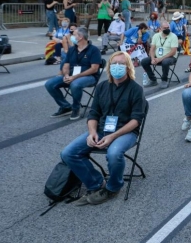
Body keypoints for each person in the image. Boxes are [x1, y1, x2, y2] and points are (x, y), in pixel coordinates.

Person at [61, 51, 147, 206]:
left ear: (128, 67)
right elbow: (93, 113)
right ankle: (95, 183)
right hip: (101, 129)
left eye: (121, 64)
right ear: (109, 67)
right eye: (114, 63)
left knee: (113, 153)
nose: (117, 67)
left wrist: (112, 137)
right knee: (68, 153)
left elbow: (136, 121)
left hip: (125, 132)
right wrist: (92, 133)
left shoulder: (135, 89)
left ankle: (113, 187)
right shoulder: (101, 87)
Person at [45, 28, 102, 120]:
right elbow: (66, 65)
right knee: (49, 84)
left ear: (80, 37)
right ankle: (66, 107)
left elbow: (94, 69)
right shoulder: (72, 50)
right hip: (71, 76)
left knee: (75, 84)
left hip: (89, 77)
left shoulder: (94, 50)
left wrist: (75, 77)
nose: (71, 36)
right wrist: (66, 75)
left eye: (74, 34)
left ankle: (76, 108)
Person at [140, 22, 178, 89]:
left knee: (165, 62)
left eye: (168, 28)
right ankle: (153, 79)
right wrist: (152, 58)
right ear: (160, 28)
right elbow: (152, 49)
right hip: (157, 57)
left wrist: (160, 59)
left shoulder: (173, 36)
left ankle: (164, 80)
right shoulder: (156, 36)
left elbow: (173, 52)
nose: (167, 29)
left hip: (170, 57)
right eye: (165, 28)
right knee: (144, 61)